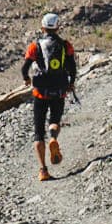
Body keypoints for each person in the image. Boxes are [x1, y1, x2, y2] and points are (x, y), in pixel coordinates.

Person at [21, 12, 77, 181]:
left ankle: (43, 170)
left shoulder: (35, 46)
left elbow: (25, 68)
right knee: (54, 121)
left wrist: (26, 79)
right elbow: (72, 68)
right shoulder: (65, 45)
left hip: (40, 93)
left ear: (42, 27)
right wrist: (71, 83)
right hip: (59, 91)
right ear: (58, 27)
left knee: (38, 133)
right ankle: (53, 137)